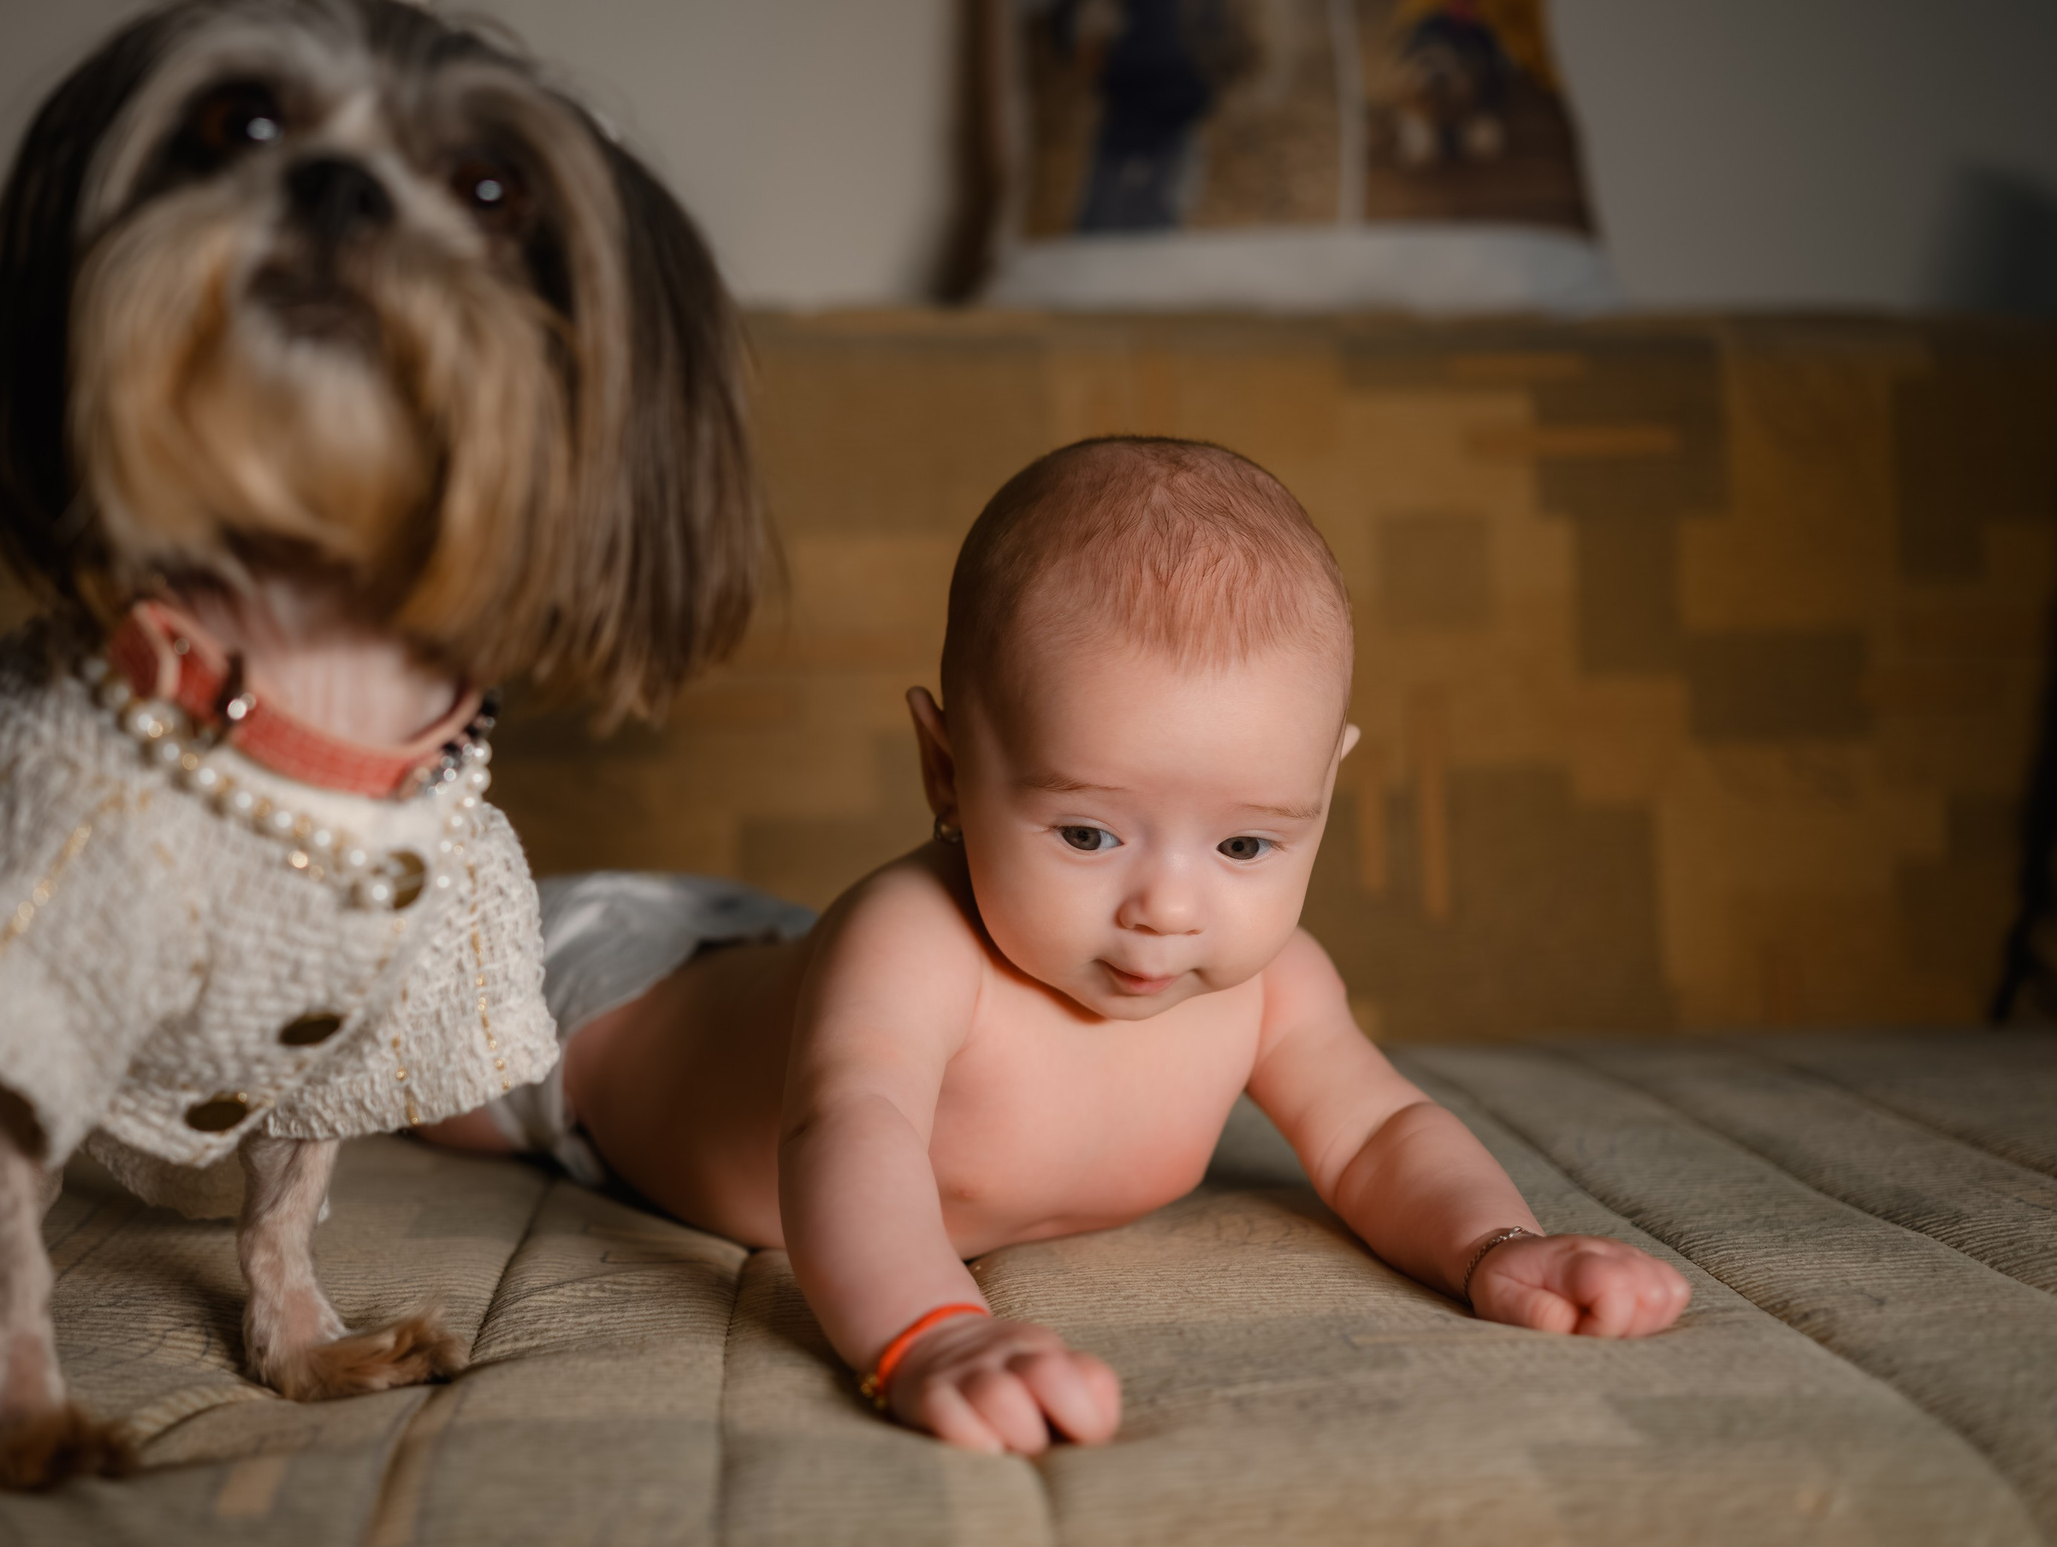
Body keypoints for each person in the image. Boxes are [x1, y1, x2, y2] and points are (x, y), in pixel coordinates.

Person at [424, 436, 1691, 1453]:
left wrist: (1495, 1246)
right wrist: (926, 1331)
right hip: (600, 1017)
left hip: (763, 959)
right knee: (395, 1071)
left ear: (1324, 788)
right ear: (945, 768)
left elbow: (1376, 1133)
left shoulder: (1270, 983)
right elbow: (845, 1133)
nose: (1168, 907)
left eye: (1246, 845)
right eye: (1088, 832)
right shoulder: (911, 939)